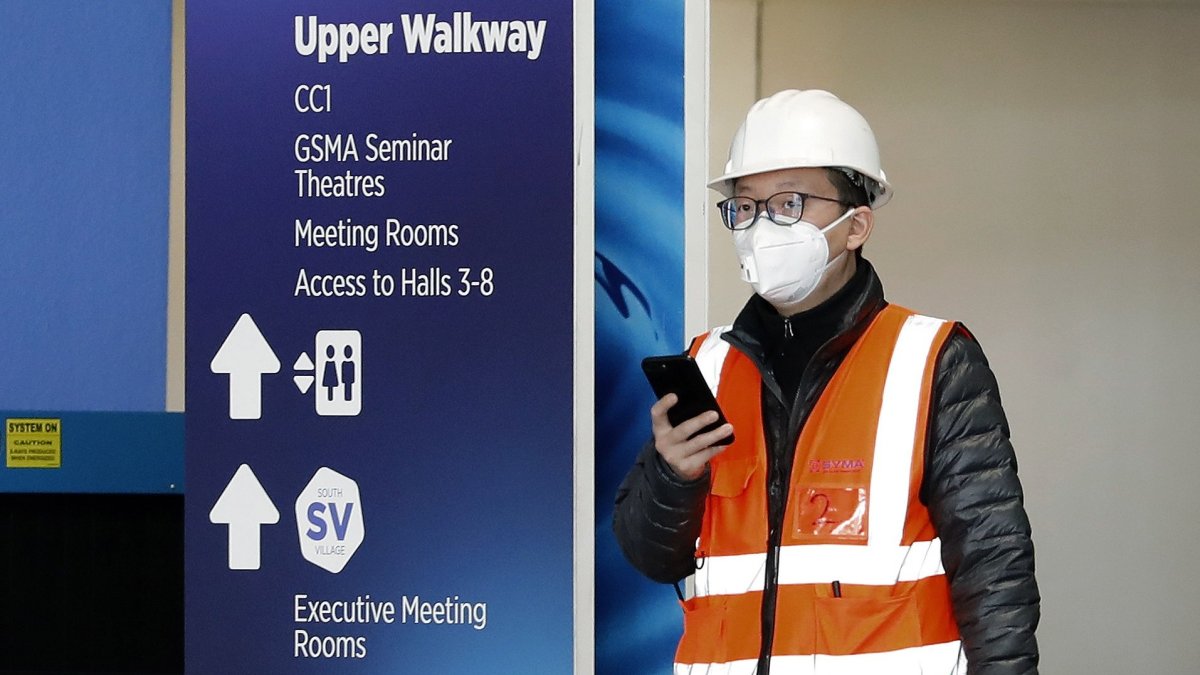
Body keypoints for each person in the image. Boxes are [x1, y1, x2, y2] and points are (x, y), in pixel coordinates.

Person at [613, 89, 1039, 674]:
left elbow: (995, 571)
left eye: (789, 202)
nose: (762, 226)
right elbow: (650, 555)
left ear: (856, 224)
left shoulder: (933, 359)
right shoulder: (708, 364)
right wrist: (672, 474)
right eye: (745, 206)